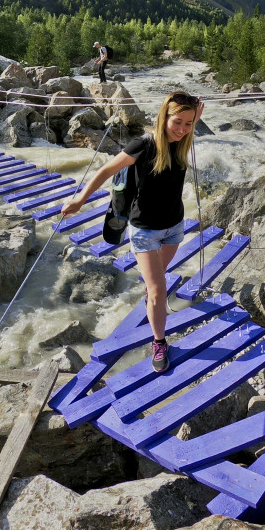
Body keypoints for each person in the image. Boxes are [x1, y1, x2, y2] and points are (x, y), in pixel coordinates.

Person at [62, 91, 204, 373]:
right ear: (164, 117)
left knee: (157, 283)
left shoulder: (182, 139)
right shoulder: (144, 145)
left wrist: (196, 111)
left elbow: (196, 112)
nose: (183, 129)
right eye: (177, 122)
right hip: (144, 231)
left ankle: (152, 299)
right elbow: (105, 171)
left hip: (174, 227)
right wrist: (79, 200)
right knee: (157, 290)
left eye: (189, 124)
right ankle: (160, 342)